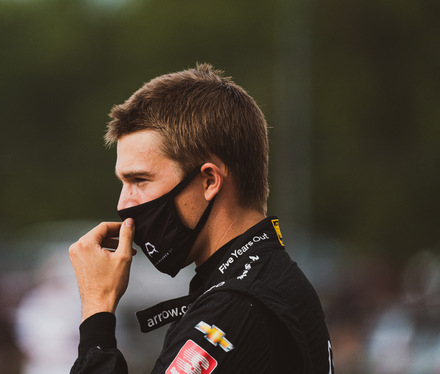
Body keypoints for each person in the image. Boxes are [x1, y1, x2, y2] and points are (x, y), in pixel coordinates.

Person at [68, 63, 334, 373]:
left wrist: (97, 310)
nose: (123, 203)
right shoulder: (260, 279)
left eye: (139, 180)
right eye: (123, 184)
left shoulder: (238, 308)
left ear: (209, 181)